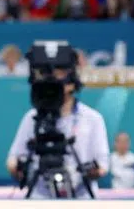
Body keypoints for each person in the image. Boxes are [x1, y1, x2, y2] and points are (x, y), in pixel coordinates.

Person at [6, 42, 110, 199]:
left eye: (59, 73)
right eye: (45, 73)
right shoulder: (32, 118)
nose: (52, 80)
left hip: (80, 196)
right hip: (39, 195)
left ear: (71, 82)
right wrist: (18, 168)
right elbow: (13, 158)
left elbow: (103, 165)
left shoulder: (92, 118)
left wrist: (89, 171)